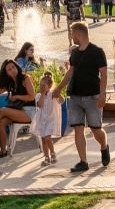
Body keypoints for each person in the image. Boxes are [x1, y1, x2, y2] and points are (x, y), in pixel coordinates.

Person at [53, 21, 110, 173]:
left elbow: (104, 73)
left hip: (93, 96)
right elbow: (70, 72)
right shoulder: (75, 53)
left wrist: (102, 94)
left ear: (78, 34)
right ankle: (83, 162)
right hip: (76, 97)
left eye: (71, 34)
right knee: (78, 128)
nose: (70, 37)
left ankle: (104, 147)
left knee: (96, 130)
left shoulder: (97, 51)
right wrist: (59, 88)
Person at [30, 71, 63, 164]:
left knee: (48, 138)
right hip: (41, 120)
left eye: (43, 85)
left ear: (49, 85)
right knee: (43, 140)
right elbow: (39, 105)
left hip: (50, 120)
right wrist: (43, 94)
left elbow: (62, 101)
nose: (41, 87)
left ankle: (52, 153)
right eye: (40, 85)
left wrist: (58, 94)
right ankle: (46, 157)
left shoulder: (52, 95)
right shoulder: (39, 96)